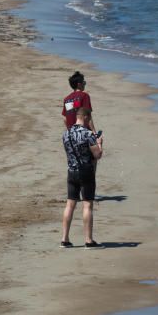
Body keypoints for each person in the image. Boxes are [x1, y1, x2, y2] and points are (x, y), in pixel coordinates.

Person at [60, 105, 104, 249]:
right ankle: (88, 240)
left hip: (71, 171)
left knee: (70, 204)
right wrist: (99, 144)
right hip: (86, 172)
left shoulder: (66, 134)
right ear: (85, 117)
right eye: (89, 118)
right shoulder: (87, 134)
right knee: (87, 205)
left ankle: (65, 239)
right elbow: (97, 155)